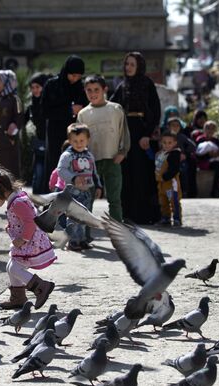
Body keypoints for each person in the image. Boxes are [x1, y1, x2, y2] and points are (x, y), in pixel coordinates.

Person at [0, 168, 56, 310]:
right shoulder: (15, 198)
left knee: (14, 268)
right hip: (28, 242)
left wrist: (23, 239)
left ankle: (41, 287)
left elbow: (31, 221)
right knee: (11, 267)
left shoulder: (17, 202)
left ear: (0, 188)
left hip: (31, 243)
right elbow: (23, 219)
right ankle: (18, 298)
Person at [110, 52, 161, 224]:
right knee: (127, 172)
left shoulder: (147, 84)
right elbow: (112, 106)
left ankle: (145, 214)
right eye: (127, 64)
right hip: (125, 132)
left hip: (142, 131)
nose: (129, 67)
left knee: (142, 172)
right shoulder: (122, 85)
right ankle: (128, 213)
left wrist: (147, 134)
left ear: (139, 66)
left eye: (132, 64)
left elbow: (155, 111)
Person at [76, 75, 130, 222]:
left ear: (104, 89)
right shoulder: (83, 114)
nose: (93, 94)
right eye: (89, 90)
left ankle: (118, 232)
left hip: (113, 159)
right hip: (90, 163)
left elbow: (123, 132)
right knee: (87, 199)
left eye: (96, 90)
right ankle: (84, 235)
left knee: (115, 199)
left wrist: (122, 152)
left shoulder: (116, 109)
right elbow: (78, 139)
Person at [41, 55, 89, 181]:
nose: (75, 79)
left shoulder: (81, 88)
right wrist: (69, 110)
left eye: (79, 76)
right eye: (73, 75)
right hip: (55, 132)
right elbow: (44, 111)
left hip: (76, 135)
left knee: (76, 164)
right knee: (56, 164)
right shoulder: (52, 85)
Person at [56, 123, 102, 251]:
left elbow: (94, 172)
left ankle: (81, 240)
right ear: (70, 141)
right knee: (73, 217)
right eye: (75, 141)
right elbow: (61, 170)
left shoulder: (89, 156)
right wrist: (74, 178)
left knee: (84, 217)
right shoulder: (67, 155)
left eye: (82, 140)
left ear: (88, 140)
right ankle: (72, 241)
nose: (79, 143)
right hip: (73, 192)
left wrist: (98, 186)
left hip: (86, 192)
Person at [25, 72, 50, 194]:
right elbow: (22, 120)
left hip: (51, 142)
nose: (35, 90)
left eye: (37, 87)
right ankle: (35, 200)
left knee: (49, 173)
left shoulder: (50, 102)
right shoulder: (31, 105)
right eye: (32, 87)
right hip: (38, 143)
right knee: (38, 173)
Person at [155, 129, 182, 226]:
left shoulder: (175, 154)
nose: (167, 145)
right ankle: (165, 218)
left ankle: (177, 218)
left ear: (175, 143)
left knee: (173, 201)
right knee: (163, 201)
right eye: (164, 143)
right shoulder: (160, 154)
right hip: (161, 183)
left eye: (170, 143)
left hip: (171, 183)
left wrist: (165, 177)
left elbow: (174, 169)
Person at [195, 121, 219, 197]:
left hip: (214, 161)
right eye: (208, 128)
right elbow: (197, 154)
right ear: (204, 129)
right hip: (202, 162)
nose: (210, 130)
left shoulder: (217, 141)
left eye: (212, 128)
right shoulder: (200, 139)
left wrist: (217, 154)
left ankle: (216, 190)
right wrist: (208, 155)